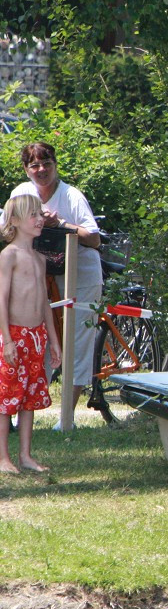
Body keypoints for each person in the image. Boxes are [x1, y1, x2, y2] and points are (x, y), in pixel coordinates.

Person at [11, 142, 101, 415]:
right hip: (41, 280)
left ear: (55, 165)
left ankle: (66, 418)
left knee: (78, 344)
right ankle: (28, 415)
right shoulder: (21, 194)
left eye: (46, 163)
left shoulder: (71, 196)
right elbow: (8, 231)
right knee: (39, 341)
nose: (41, 170)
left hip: (81, 277)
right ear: (26, 170)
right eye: (34, 165)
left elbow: (94, 239)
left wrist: (60, 223)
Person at [0, 196, 62, 473]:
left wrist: (54, 341)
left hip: (37, 336)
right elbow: (1, 299)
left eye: (40, 214)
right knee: (6, 397)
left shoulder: (40, 259)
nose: (39, 219)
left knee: (29, 398)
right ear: (14, 221)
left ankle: (25, 455)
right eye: (32, 215)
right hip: (13, 334)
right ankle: (3, 458)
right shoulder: (9, 255)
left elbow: (45, 303)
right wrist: (8, 340)